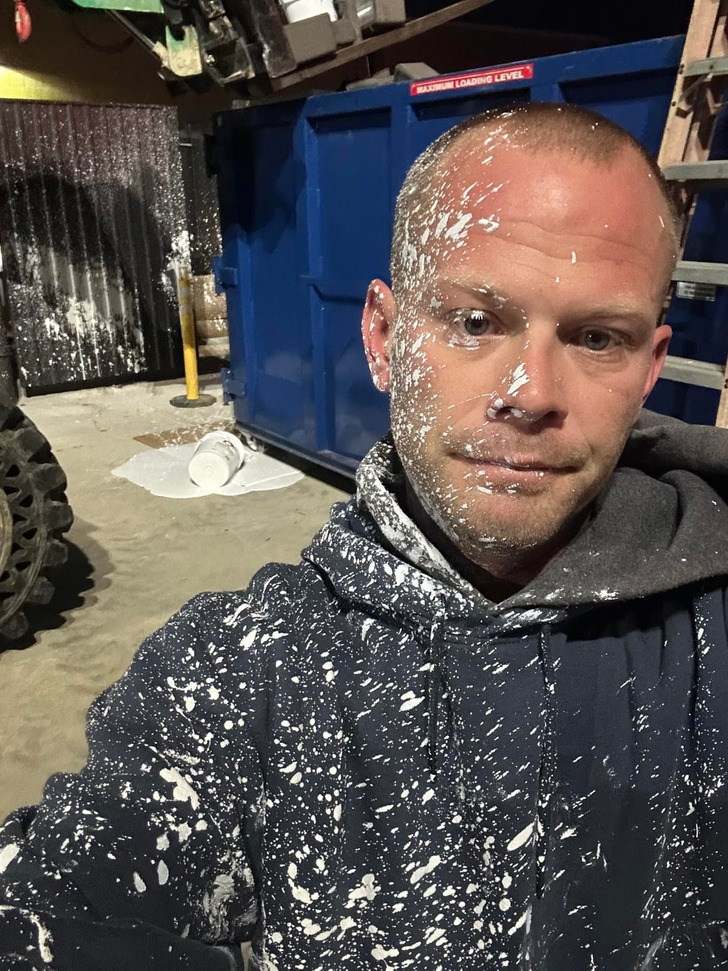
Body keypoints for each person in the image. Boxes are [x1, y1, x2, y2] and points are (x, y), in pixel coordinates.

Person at [1, 101, 728, 971]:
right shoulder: (244, 674)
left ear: (649, 368)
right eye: (475, 322)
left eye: (598, 337)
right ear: (383, 337)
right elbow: (50, 911)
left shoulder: (711, 632)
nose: (531, 392)